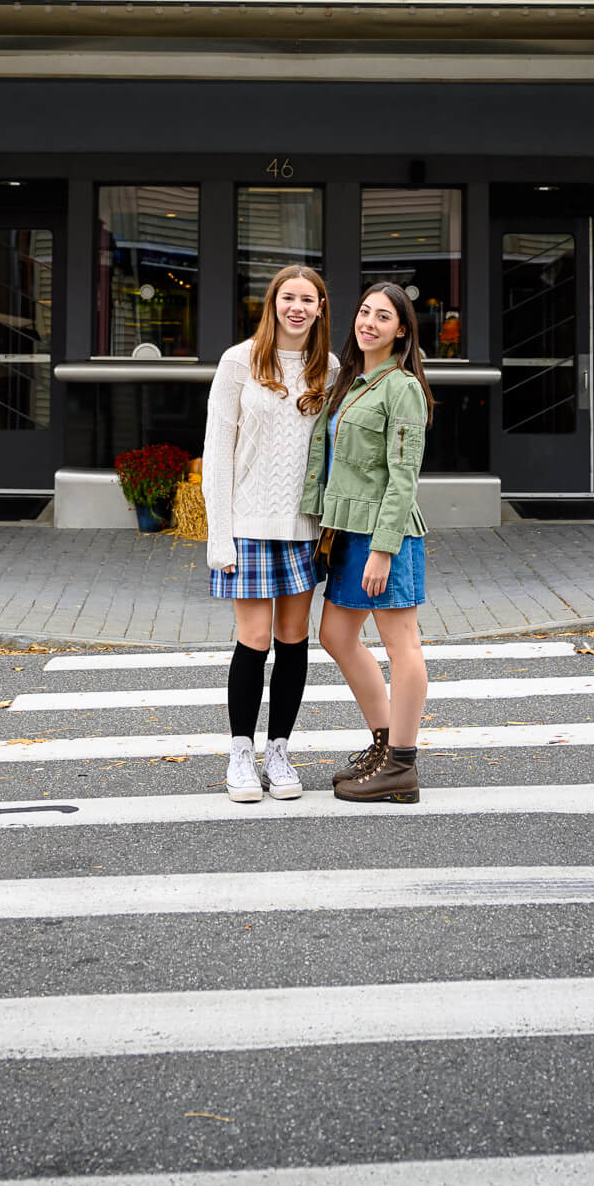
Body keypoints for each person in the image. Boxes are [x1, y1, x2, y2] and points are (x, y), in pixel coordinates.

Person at [202, 265, 335, 804]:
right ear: (273, 303)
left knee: (294, 641)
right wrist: (220, 534)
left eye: (308, 298)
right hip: (249, 526)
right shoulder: (239, 361)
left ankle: (279, 751)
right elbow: (217, 452)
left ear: (321, 307)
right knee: (253, 643)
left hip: (303, 527)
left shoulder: (328, 367)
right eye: (288, 297)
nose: (297, 307)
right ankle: (240, 753)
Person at [301, 280, 432, 805]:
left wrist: (384, 548)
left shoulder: (401, 386)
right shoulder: (354, 381)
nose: (369, 322)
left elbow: (404, 475)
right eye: (363, 312)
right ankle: (383, 744)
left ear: (401, 330)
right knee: (335, 634)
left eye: (383, 316)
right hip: (347, 530)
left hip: (385, 533)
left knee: (403, 646)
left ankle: (402, 763)